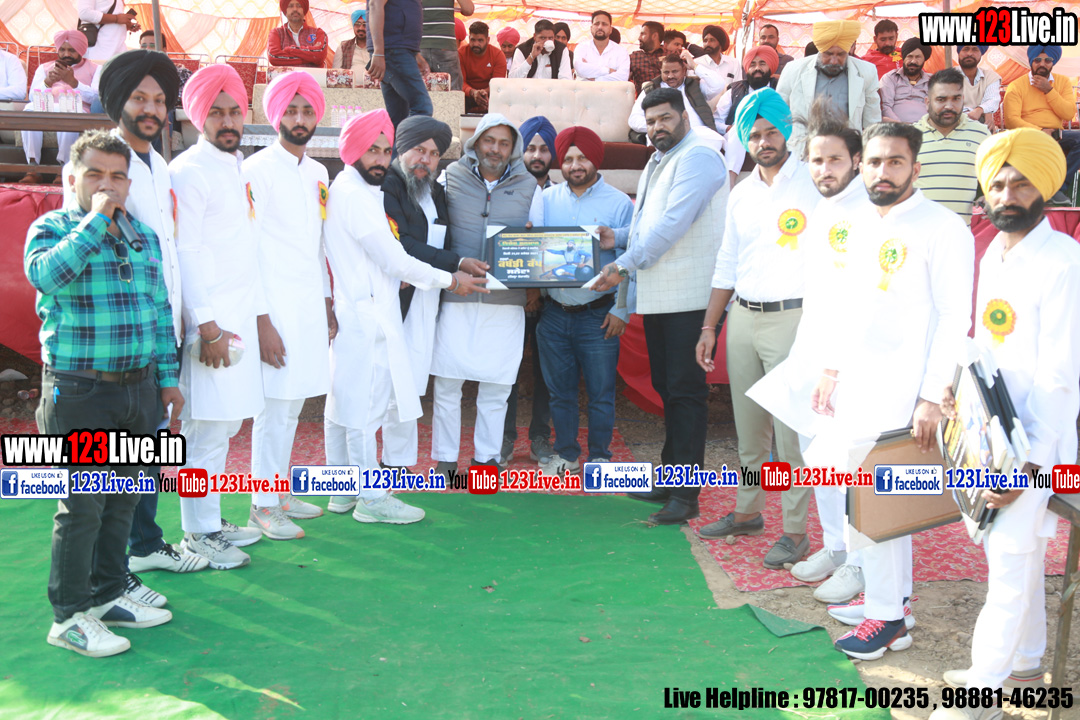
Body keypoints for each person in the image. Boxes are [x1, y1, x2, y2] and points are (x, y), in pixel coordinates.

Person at [807, 122, 973, 660]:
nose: (882, 171)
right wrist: (831, 369)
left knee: (880, 501)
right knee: (864, 495)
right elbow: (846, 305)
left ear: (915, 168)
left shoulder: (943, 227)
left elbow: (956, 317)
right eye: (875, 161)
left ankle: (886, 619)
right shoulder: (856, 221)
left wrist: (932, 395)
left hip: (903, 390)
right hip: (855, 384)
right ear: (863, 164)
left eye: (895, 162)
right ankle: (890, 601)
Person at [930, 129, 1080, 720]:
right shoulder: (994, 250)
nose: (1007, 195)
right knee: (1013, 550)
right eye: (997, 184)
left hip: (1037, 444)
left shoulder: (1064, 262)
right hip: (991, 432)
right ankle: (1024, 663)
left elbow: (1061, 377)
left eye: (1020, 184)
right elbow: (985, 341)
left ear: (1046, 188)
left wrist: (1030, 466)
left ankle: (982, 696)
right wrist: (955, 384)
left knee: (1012, 562)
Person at [28, 129, 179, 657]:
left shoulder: (143, 236)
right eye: (95, 174)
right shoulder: (52, 228)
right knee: (83, 507)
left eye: (118, 176)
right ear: (72, 177)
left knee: (122, 501)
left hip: (138, 391)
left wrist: (168, 379)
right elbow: (48, 276)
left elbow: (159, 310)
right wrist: (95, 219)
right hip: (81, 392)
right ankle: (69, 617)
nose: (107, 185)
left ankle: (109, 594)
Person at [59, 50, 207, 579]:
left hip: (157, 329)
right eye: (140, 98)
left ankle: (145, 543)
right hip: (110, 339)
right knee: (109, 471)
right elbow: (81, 247)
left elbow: (169, 249)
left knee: (147, 450)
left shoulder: (158, 164)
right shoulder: (99, 164)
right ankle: (110, 574)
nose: (152, 109)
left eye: (160, 100)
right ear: (118, 100)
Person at [323, 110, 487, 518]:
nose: (380, 159)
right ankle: (371, 500)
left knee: (343, 406)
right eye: (372, 150)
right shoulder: (356, 196)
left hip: (361, 311)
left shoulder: (353, 189)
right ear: (352, 150)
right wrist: (450, 280)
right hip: (367, 316)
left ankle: (341, 491)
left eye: (384, 150)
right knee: (363, 410)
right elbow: (395, 259)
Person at [740, 97, 870, 601]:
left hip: (850, 362)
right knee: (819, 455)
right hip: (814, 350)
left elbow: (860, 299)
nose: (824, 169)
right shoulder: (825, 207)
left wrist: (835, 367)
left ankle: (860, 561)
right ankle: (836, 548)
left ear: (856, 160)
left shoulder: (867, 212)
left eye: (835, 159)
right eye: (817, 159)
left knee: (852, 463)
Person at [591, 87, 729, 525]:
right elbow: (647, 223)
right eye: (650, 122)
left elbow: (672, 224)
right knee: (670, 392)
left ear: (685, 117)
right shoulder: (658, 159)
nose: (657, 128)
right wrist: (619, 238)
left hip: (691, 298)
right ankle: (672, 481)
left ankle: (686, 497)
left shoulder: (700, 157)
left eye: (665, 118)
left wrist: (622, 264)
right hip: (661, 296)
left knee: (686, 395)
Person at [694, 89, 819, 568]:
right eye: (754, 135)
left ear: (787, 131)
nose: (763, 142)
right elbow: (727, 260)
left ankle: (795, 531)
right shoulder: (741, 193)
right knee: (749, 430)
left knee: (790, 435)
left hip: (794, 319)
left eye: (771, 132)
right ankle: (747, 511)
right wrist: (711, 325)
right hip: (743, 317)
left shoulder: (813, 184)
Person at [170, 65, 266, 569]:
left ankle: (210, 518)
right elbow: (185, 251)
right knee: (204, 431)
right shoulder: (189, 170)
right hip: (210, 326)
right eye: (217, 112)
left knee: (224, 426)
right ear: (197, 116)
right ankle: (197, 533)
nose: (228, 121)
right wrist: (206, 326)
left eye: (234, 111)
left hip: (238, 318)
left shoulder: (233, 164)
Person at [241, 72, 333, 540]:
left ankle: (278, 492)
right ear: (276, 114)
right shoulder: (255, 170)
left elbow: (318, 245)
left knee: (293, 404)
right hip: (273, 307)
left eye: (307, 111)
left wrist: (327, 300)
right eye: (291, 110)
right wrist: (261, 321)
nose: (300, 119)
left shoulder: (319, 173)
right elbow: (248, 249)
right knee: (273, 408)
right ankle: (261, 504)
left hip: (307, 305)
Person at [431, 113, 543, 477]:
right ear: (476, 142)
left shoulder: (530, 187)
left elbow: (542, 240)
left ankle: (486, 462)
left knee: (497, 386)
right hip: (456, 295)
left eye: (504, 143)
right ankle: (445, 461)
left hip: (505, 302)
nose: (496, 149)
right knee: (447, 384)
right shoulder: (450, 176)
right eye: (489, 140)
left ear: (513, 149)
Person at [379, 116, 489, 471]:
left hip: (428, 297)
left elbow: (444, 238)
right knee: (389, 383)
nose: (424, 160)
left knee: (410, 382)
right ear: (401, 149)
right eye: (418, 150)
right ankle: (381, 465)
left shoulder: (434, 191)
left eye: (433, 154)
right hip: (397, 297)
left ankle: (397, 463)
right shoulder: (388, 185)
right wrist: (456, 264)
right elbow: (402, 244)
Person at [536, 126, 633, 475]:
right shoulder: (545, 200)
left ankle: (600, 458)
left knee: (601, 393)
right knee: (559, 392)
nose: (575, 165)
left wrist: (622, 309)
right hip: (554, 314)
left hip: (599, 315)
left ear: (596, 159)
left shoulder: (619, 204)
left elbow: (631, 259)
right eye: (568, 159)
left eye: (582, 158)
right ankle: (566, 454)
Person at [502, 115, 557, 465]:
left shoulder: (561, 195)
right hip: (510, 298)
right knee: (505, 369)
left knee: (545, 372)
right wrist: (524, 290)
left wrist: (537, 290)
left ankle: (540, 436)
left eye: (544, 149)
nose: (537, 155)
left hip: (550, 301)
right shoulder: (507, 191)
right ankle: (504, 438)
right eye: (531, 148)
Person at [777, 20, 880, 156]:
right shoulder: (794, 70)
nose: (834, 60)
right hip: (802, 152)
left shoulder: (866, 71)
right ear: (820, 50)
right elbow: (778, 113)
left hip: (847, 154)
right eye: (828, 54)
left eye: (841, 54)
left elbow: (872, 121)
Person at [20, 31, 101, 185]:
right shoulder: (44, 68)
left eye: (71, 50)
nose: (66, 54)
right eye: (62, 50)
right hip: (48, 108)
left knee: (69, 112)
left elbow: (96, 98)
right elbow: (32, 97)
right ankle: (32, 168)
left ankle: (63, 169)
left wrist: (74, 82)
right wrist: (47, 82)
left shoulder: (96, 69)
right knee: (29, 109)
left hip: (77, 110)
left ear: (81, 50)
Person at [1002, 45, 1078, 203]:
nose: (1042, 64)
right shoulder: (1017, 85)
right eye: (1037, 60)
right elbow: (1011, 120)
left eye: (1047, 60)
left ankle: (1057, 187)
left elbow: (1068, 114)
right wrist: (1040, 131)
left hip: (1056, 134)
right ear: (1031, 61)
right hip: (1027, 135)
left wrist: (1049, 90)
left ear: (1053, 62)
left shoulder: (1062, 82)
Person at [914, 68, 990, 224]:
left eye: (956, 99)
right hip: (918, 232)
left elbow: (995, 177)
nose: (949, 106)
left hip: (963, 232)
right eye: (941, 99)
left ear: (963, 99)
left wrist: (990, 196)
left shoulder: (981, 134)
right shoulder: (909, 137)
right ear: (927, 102)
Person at [714, 45, 779, 184]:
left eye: (762, 63)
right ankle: (730, 182)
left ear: (770, 67)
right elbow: (716, 121)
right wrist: (728, 128)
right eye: (753, 64)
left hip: (769, 134)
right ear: (747, 68)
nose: (757, 68)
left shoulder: (780, 89)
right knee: (739, 128)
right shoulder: (734, 91)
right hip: (737, 136)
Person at [368, 0, 433, 126]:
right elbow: (375, 4)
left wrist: (415, 54)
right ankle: (408, 139)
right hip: (393, 49)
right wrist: (378, 52)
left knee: (398, 116)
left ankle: (399, 139)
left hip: (398, 49)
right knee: (422, 108)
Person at [629, 54, 722, 141]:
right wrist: (663, 126)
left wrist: (694, 66)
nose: (670, 76)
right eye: (666, 72)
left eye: (675, 71)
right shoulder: (652, 89)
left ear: (684, 70)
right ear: (661, 71)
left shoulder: (695, 85)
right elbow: (634, 119)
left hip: (700, 136)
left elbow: (718, 84)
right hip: (668, 139)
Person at [419, 0, 474, 92]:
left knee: (420, 92)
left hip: (420, 46)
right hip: (444, 45)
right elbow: (468, 9)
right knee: (452, 92)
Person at [880, 39, 931, 124]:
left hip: (926, 128)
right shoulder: (890, 78)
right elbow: (886, 107)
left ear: (924, 59)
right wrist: (902, 126)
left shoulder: (932, 81)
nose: (913, 61)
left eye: (918, 57)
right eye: (910, 56)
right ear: (904, 58)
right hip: (896, 127)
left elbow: (936, 107)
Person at [459, 21, 507, 112]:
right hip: (467, 95)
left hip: (490, 95)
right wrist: (473, 93)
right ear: (469, 38)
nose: (476, 44)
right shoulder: (461, 53)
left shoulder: (498, 55)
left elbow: (497, 83)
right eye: (473, 40)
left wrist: (482, 93)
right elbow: (460, 82)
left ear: (488, 40)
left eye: (480, 40)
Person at [268, 0, 328, 68]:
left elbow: (320, 55)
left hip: (312, 75)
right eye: (291, 6)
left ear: (304, 10)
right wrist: (310, 57)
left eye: (299, 6)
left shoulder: (318, 33)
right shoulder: (276, 33)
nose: (295, 9)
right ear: (285, 11)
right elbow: (273, 57)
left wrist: (291, 49)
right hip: (287, 75)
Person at [574, 10, 629, 83]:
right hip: (584, 90)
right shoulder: (581, 48)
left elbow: (623, 77)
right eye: (596, 24)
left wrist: (595, 79)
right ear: (591, 28)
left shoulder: (621, 51)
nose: (600, 27)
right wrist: (608, 71)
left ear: (610, 29)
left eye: (604, 24)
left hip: (610, 90)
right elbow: (580, 69)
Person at [956, 45, 1000, 129]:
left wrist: (980, 110)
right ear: (959, 52)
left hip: (981, 124)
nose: (969, 53)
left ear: (981, 54)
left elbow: (992, 100)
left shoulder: (991, 76)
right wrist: (985, 112)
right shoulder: (947, 76)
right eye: (966, 49)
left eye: (975, 50)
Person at [331, 9, 371, 86]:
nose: (361, 28)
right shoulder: (343, 47)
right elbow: (335, 73)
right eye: (357, 24)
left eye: (365, 25)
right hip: (349, 89)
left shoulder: (378, 48)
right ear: (353, 26)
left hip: (375, 89)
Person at [695, 25, 740, 94]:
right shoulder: (696, 64)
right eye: (705, 40)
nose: (707, 44)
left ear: (720, 43)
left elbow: (738, 88)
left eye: (712, 40)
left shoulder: (733, 63)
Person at [629, 21, 665, 94]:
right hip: (645, 98)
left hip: (667, 97)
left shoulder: (670, 55)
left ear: (654, 36)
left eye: (643, 34)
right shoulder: (634, 57)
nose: (639, 38)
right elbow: (622, 77)